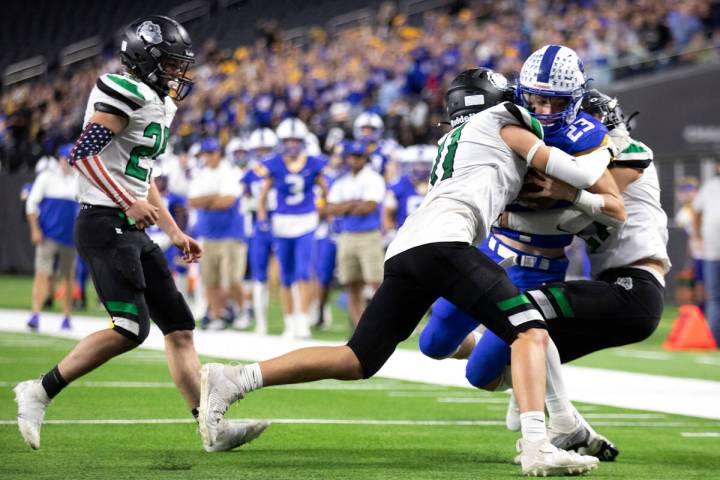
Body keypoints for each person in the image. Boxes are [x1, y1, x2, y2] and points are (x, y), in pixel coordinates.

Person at [199, 68, 609, 476]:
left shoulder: (458, 141)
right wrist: (606, 145)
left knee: (356, 358)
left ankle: (236, 379)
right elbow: (581, 175)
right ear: (495, 101)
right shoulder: (501, 122)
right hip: (445, 243)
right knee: (530, 331)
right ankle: (537, 444)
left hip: (408, 248)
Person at [13, 15, 266, 452]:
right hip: (103, 221)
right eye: (169, 64)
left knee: (181, 328)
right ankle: (39, 390)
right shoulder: (121, 90)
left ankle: (210, 427)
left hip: (130, 225)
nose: (176, 73)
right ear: (143, 60)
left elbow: (141, 176)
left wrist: (175, 230)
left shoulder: (158, 102)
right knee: (131, 327)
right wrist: (126, 201)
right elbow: (83, 155)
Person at [418, 46, 623, 458]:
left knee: (479, 375)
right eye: (537, 98)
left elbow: (616, 210)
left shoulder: (584, 136)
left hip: (537, 270)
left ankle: (533, 380)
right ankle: (525, 366)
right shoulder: (506, 118)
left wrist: (573, 195)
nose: (545, 109)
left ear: (576, 100)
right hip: (490, 254)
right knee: (434, 343)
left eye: (556, 101)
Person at [470, 90, 668, 458]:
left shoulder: (630, 154)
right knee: (493, 369)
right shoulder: (594, 162)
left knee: (524, 309)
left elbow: (586, 202)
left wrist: (522, 203)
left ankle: (563, 423)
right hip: (611, 289)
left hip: (634, 287)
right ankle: (575, 430)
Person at [258, 118, 327, 339]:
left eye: (296, 140)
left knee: (304, 272)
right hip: (282, 221)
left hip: (306, 219)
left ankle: (303, 320)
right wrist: (262, 216)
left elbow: (325, 190)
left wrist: (323, 210)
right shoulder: (274, 163)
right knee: (286, 275)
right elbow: (263, 195)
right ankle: (289, 321)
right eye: (288, 140)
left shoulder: (314, 163)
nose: (292, 145)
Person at [325, 140, 386, 327]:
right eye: (352, 156)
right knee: (352, 283)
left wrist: (346, 206)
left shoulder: (373, 178)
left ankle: (382, 325)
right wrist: (353, 204)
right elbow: (330, 208)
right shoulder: (341, 181)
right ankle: (359, 327)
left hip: (369, 234)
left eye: (358, 156)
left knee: (376, 282)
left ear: (364, 158)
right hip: (347, 234)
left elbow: (368, 207)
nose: (354, 160)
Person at [188, 137, 247, 330]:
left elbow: (227, 202)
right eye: (206, 153)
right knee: (210, 279)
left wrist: (207, 201)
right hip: (207, 234)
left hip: (231, 234)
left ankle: (242, 311)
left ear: (219, 153)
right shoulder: (200, 174)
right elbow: (192, 201)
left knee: (232, 279)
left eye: (212, 153)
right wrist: (214, 198)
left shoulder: (231, 172)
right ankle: (217, 315)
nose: (208, 157)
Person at [25, 144, 79, 331]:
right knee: (42, 274)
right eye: (65, 158)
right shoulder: (47, 177)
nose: (68, 162)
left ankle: (66, 317)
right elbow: (31, 205)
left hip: (70, 238)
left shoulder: (79, 180)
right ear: (59, 159)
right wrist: (35, 230)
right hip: (48, 235)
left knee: (68, 278)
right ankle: (35, 314)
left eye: (71, 159)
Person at [242, 127, 279, 334]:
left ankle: (298, 318)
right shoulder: (250, 173)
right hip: (259, 221)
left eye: (267, 149)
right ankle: (261, 321)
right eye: (260, 149)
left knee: (291, 270)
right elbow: (246, 199)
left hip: (282, 217)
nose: (263, 153)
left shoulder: (281, 168)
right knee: (259, 272)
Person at [693, 163, 720, 344]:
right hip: (712, 251)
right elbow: (696, 212)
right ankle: (714, 339)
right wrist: (697, 236)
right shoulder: (710, 186)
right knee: (714, 296)